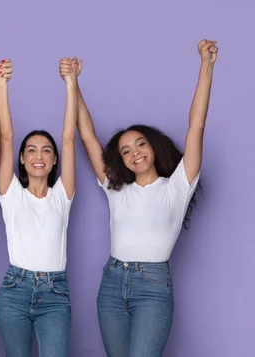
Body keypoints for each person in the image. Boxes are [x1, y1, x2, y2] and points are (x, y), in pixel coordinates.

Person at [70, 39, 218, 357]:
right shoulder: (116, 189)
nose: (135, 153)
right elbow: (87, 136)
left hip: (152, 288)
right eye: (126, 151)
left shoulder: (177, 186)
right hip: (111, 284)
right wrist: (74, 84)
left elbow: (197, 126)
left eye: (140, 145)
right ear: (121, 161)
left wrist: (206, 66)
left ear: (152, 147)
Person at [0, 57, 78, 356]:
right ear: (21, 159)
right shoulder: (10, 192)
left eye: (46, 150)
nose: (38, 155)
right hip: (15, 290)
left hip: (55, 293)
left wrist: (71, 83)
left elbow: (68, 139)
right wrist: (1, 86)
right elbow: (6, 136)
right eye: (31, 150)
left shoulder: (62, 196)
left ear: (54, 160)